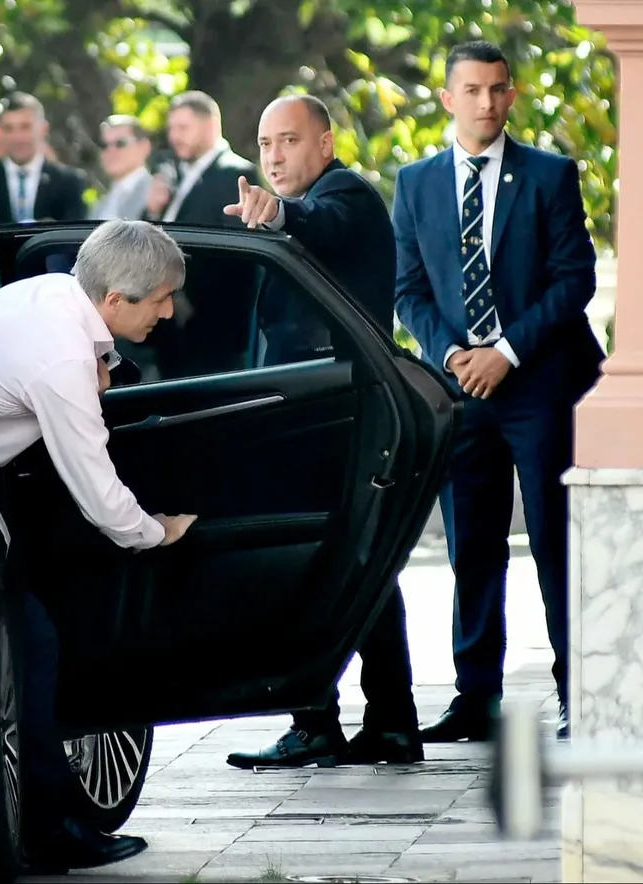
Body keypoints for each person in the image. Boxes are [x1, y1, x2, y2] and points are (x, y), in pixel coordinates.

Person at [0, 219, 197, 872]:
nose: (170, 310)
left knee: (34, 639)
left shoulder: (55, 294)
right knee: (33, 646)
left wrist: (101, 367)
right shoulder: (63, 360)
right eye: (160, 298)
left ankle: (50, 817)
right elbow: (95, 485)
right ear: (114, 302)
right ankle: (51, 830)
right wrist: (156, 531)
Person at [393, 40, 603, 743]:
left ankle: (580, 691)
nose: (486, 102)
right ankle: (475, 696)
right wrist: (455, 356)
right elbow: (409, 290)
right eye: (473, 90)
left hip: (541, 383)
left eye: (498, 89)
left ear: (512, 97)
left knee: (552, 539)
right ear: (448, 98)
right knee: (470, 545)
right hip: (462, 389)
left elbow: (575, 281)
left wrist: (505, 353)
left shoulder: (549, 175)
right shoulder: (415, 183)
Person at [220, 94, 423, 770]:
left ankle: (322, 724)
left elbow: (325, 224)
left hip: (331, 420)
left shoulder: (346, 197)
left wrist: (278, 214)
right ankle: (388, 722)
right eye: (264, 142)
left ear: (326, 145)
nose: (273, 156)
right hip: (314, 417)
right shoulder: (304, 206)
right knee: (359, 567)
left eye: (288, 140)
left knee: (324, 564)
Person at [143, 90, 257, 226]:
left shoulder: (236, 175)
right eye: (171, 129)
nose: (174, 137)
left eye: (183, 128)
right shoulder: (174, 174)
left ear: (211, 126)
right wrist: (154, 212)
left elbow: (238, 240)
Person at [0, 91, 88, 224]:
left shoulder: (68, 182)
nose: (17, 137)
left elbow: (75, 235)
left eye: (25, 127)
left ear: (43, 129)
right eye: (8, 128)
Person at [89, 115, 153, 221]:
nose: (111, 151)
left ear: (144, 147)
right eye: (104, 145)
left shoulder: (155, 194)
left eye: (120, 143)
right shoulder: (101, 204)